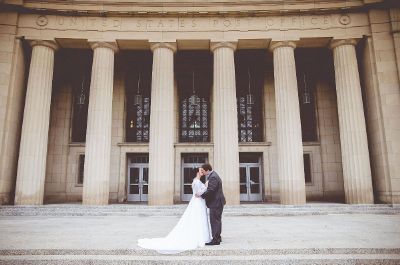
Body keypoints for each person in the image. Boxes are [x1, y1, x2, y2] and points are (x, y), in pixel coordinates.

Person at [137, 168, 211, 254]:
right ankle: (198, 237)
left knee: (200, 219)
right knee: (197, 218)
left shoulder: (197, 181)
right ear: (197, 173)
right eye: (201, 170)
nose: (202, 171)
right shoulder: (197, 181)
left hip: (199, 203)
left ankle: (202, 236)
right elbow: (197, 193)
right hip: (197, 202)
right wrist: (205, 187)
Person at [196, 163, 226, 245]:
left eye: (203, 171)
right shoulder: (213, 175)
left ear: (207, 170)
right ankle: (218, 238)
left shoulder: (213, 177)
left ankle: (215, 240)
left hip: (216, 202)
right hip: (217, 202)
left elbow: (211, 190)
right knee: (217, 220)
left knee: (214, 221)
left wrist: (201, 195)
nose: (202, 172)